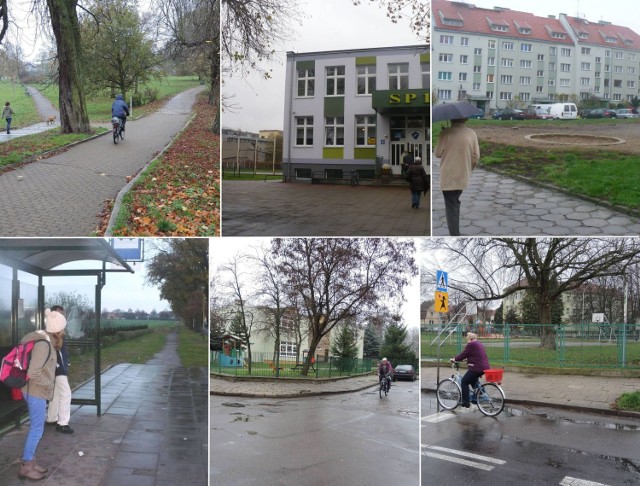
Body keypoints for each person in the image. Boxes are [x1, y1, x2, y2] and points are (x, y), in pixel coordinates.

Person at [19, 308, 66, 480]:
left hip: (35, 390)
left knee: (36, 428)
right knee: (37, 429)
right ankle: (26, 466)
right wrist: (50, 384)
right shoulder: (44, 345)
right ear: (58, 330)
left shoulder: (46, 341)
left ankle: (30, 460)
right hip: (35, 391)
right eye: (63, 328)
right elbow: (34, 372)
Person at [434, 118, 480, 236]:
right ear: (466, 119)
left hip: (448, 175)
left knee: (451, 205)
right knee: (455, 201)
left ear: (451, 119)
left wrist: (442, 135)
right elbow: (476, 157)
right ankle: (455, 231)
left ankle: (454, 234)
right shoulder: (471, 133)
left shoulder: (446, 133)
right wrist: (468, 169)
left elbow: (438, 153)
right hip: (462, 175)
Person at [46, 305, 73, 434]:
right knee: (66, 393)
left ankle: (52, 417)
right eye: (58, 313)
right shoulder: (54, 334)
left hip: (57, 368)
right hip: (58, 369)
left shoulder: (55, 333)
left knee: (56, 393)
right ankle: (63, 423)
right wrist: (62, 367)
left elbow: (63, 352)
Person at [450, 332, 490, 408]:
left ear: (470, 339)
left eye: (467, 339)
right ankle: (480, 394)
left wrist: (454, 359)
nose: (467, 341)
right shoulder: (478, 343)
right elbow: (475, 355)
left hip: (476, 367)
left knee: (464, 382)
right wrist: (468, 359)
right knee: (472, 380)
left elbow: (463, 354)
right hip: (484, 366)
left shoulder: (471, 344)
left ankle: (466, 402)